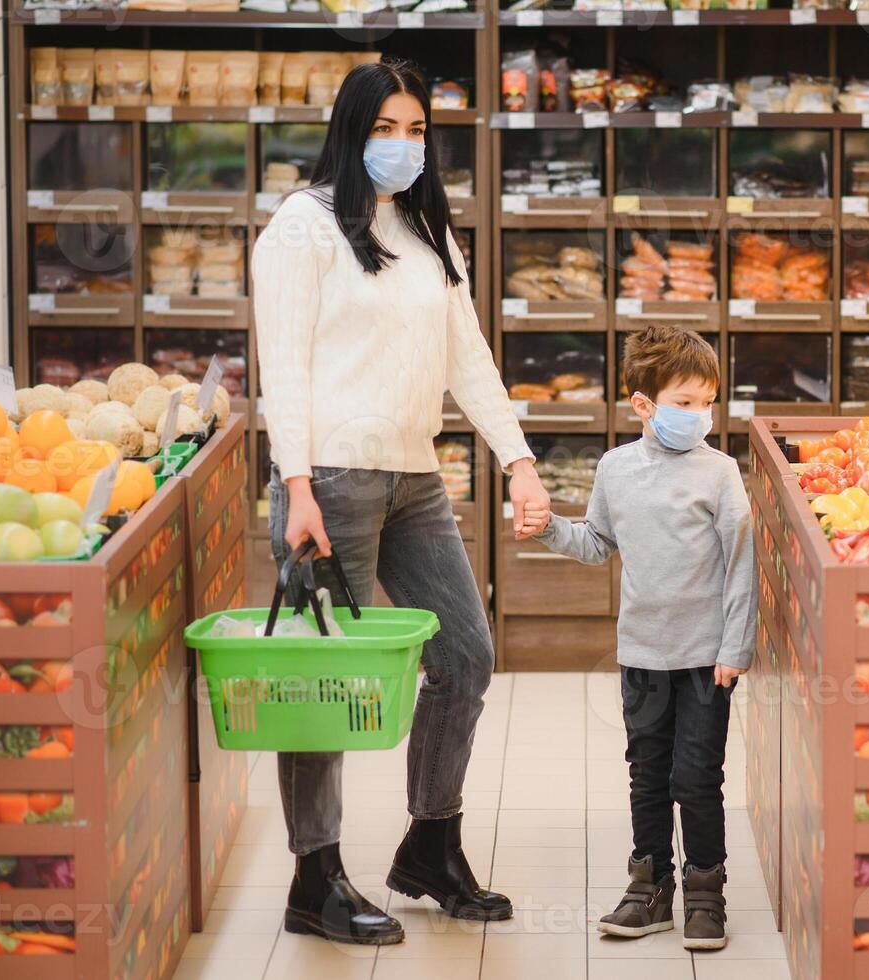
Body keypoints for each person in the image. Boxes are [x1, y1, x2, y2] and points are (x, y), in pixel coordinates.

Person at [251, 58, 551, 945]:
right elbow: (286, 369)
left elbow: (470, 357)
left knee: (465, 655)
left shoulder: (427, 233)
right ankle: (316, 877)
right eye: (383, 128)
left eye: (416, 129)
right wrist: (296, 484)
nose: (402, 145)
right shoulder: (302, 229)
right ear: (350, 132)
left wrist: (519, 461)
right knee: (321, 684)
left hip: (414, 478)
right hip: (330, 480)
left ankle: (430, 843)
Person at [532, 326, 756, 950]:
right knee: (647, 774)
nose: (699, 416)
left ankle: (706, 893)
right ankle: (650, 889)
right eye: (685, 403)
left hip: (707, 660)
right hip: (642, 656)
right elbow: (597, 541)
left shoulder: (720, 474)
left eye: (707, 403)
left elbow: (741, 563)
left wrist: (735, 649)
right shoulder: (616, 470)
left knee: (697, 777)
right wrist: (550, 526)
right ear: (643, 404)